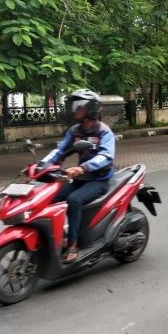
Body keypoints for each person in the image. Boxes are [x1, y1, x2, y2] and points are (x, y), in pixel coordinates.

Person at [40, 89, 115, 262]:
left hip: (98, 179)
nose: (75, 109)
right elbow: (59, 151)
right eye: (74, 105)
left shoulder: (104, 132)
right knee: (49, 196)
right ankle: (58, 238)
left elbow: (106, 156)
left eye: (80, 106)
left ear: (92, 109)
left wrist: (83, 168)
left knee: (74, 200)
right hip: (79, 178)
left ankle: (73, 245)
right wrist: (41, 165)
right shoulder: (74, 131)